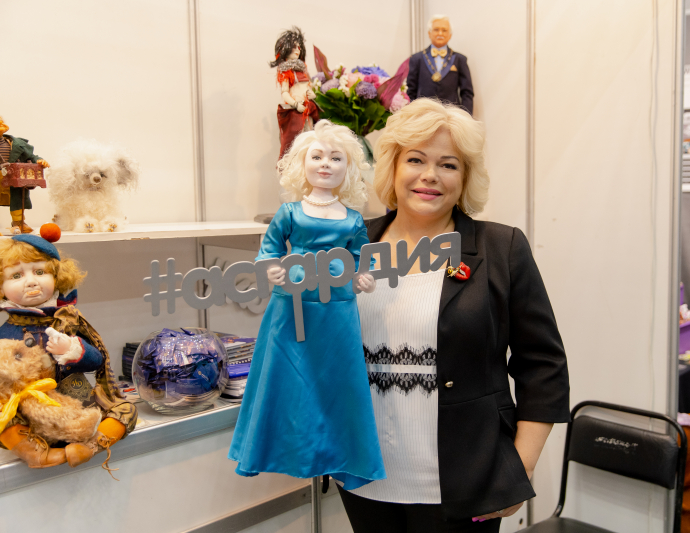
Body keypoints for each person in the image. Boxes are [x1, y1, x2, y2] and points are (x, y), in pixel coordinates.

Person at [337, 99, 569, 532]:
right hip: (362, 474)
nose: (430, 175)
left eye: (448, 165)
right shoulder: (352, 247)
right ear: (393, 167)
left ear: (464, 179)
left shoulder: (501, 249)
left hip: (464, 481)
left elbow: (543, 365)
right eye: (415, 159)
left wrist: (520, 467)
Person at [228, 120, 386, 489]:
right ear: (302, 163)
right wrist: (272, 269)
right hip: (292, 304)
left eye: (335, 158)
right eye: (317, 156)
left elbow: (361, 258)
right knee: (287, 379)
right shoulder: (290, 212)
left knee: (337, 380)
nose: (326, 164)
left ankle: (338, 453)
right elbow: (268, 251)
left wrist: (363, 277)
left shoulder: (353, 219)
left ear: (349, 168)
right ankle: (290, 450)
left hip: (338, 308)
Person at [0, 234, 137, 472]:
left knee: (126, 410)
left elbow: (97, 360)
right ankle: (33, 452)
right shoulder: (6, 332)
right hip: (28, 413)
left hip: (75, 405)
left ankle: (90, 446)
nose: (31, 282)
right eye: (16, 276)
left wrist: (73, 351)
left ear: (57, 276)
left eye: (40, 272)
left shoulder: (68, 321)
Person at [407, 16, 474, 115]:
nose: (440, 33)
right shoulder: (416, 59)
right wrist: (412, 115)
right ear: (429, 33)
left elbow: (467, 93)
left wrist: (466, 117)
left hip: (452, 117)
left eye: (444, 30)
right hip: (423, 116)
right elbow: (410, 91)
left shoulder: (460, 59)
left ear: (450, 35)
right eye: (436, 29)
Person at [271, 27, 319, 159]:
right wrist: (295, 104)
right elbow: (285, 93)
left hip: (307, 110)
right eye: (294, 47)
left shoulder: (302, 70)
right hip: (295, 112)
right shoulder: (285, 71)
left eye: (299, 47)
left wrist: (312, 94)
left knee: (311, 139)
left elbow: (308, 87)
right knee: (294, 143)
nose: (298, 50)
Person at [0, 116, 50, 234]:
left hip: (13, 175)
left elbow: (31, 157)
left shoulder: (16, 144)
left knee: (17, 197)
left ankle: (18, 223)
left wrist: (39, 161)